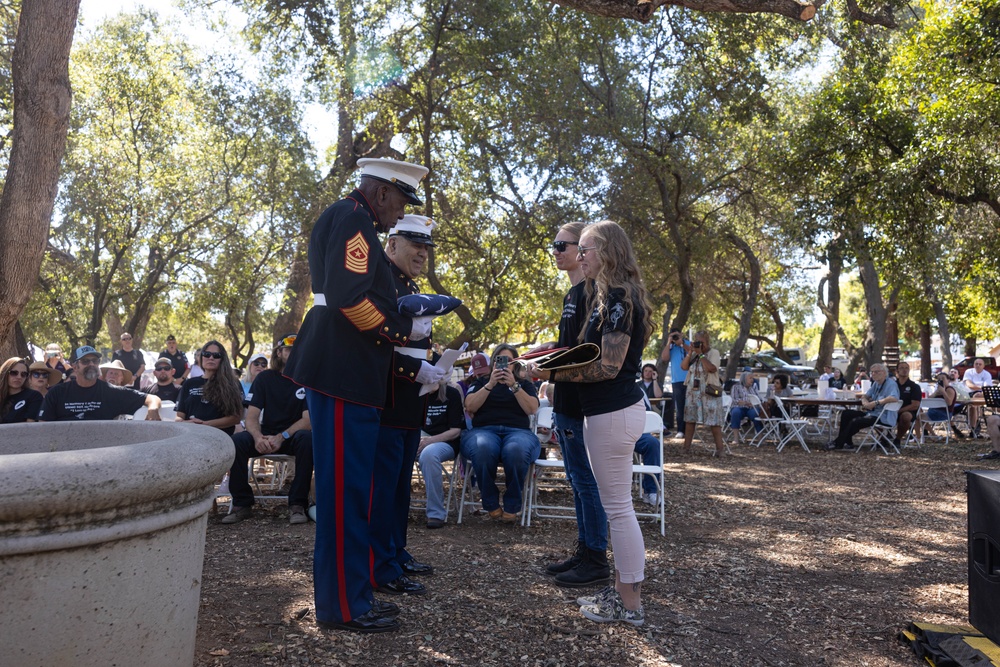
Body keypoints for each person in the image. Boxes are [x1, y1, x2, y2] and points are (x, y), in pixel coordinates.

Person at [282, 157, 432, 634]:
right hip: (345, 366)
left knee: (350, 491)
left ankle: (348, 597)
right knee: (346, 493)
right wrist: (399, 328)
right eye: (401, 202)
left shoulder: (353, 216)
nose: (399, 214)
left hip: (348, 368)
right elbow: (349, 298)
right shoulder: (353, 219)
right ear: (383, 192)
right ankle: (345, 606)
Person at [529, 220, 653, 626]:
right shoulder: (611, 296)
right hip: (608, 412)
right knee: (617, 507)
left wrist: (548, 374)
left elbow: (608, 366)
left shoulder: (619, 297)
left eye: (585, 249)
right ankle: (623, 593)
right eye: (577, 249)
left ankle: (629, 602)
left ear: (609, 252)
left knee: (618, 509)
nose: (579, 257)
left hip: (613, 411)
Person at [370, 215, 442, 597]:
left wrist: (433, 370)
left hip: (409, 405)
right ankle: (381, 567)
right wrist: (416, 370)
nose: (422, 253)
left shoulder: (407, 285)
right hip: (387, 402)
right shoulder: (382, 282)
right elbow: (375, 346)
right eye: (415, 245)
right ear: (392, 244)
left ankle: (395, 553)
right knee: (383, 490)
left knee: (400, 488)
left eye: (426, 247)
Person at [543, 221, 610, 589]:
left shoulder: (592, 292)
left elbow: (588, 354)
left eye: (563, 245)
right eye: (555, 246)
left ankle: (597, 557)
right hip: (565, 399)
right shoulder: (571, 295)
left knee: (587, 481)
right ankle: (585, 550)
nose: (558, 251)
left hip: (583, 403)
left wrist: (550, 369)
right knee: (575, 479)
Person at [223, 334, 314, 525]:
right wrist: (257, 437)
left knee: (308, 440)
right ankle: (242, 504)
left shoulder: (308, 379)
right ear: (279, 352)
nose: (294, 352)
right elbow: (251, 417)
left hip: (292, 436)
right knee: (237, 442)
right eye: (289, 349)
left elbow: (308, 421)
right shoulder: (265, 378)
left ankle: (297, 504)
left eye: (299, 348)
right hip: (265, 436)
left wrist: (282, 437)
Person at [461, 344, 540, 523]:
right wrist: (490, 384)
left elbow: (532, 408)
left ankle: (512, 504)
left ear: (515, 364)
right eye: (500, 360)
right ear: (494, 362)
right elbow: (470, 406)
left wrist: (514, 386)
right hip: (484, 431)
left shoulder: (524, 384)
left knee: (516, 450)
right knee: (483, 448)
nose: (505, 365)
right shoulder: (481, 382)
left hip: (518, 432)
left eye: (509, 361)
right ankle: (490, 501)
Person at [40, 346, 162, 421]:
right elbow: (44, 428)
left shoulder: (111, 392)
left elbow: (152, 398)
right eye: (85, 361)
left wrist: (153, 409)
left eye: (95, 361)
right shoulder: (56, 393)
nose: (91, 364)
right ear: (75, 367)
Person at [417, 376, 465, 528]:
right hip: (418, 439)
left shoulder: (451, 393)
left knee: (429, 454)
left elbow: (456, 431)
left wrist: (430, 441)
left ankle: (435, 513)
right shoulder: (415, 394)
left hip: (445, 441)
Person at [825, 363, 899, 450]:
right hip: (872, 413)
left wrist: (876, 403)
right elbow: (865, 396)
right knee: (846, 413)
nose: (873, 374)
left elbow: (894, 398)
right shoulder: (876, 383)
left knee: (856, 421)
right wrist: (865, 402)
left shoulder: (891, 384)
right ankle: (848, 443)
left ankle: (837, 443)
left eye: (876, 372)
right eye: (872, 372)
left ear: (884, 373)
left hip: (884, 417)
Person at [175, 341, 244, 435]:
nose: (211, 358)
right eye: (207, 354)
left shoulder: (233, 383)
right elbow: (179, 416)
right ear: (201, 357)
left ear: (222, 359)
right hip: (190, 436)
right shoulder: (189, 383)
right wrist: (186, 423)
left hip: (220, 437)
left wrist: (205, 425)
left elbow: (236, 417)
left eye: (216, 355)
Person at [680, 331, 727, 457]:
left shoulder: (714, 353)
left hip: (709, 391)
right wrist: (690, 352)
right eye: (696, 341)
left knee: (714, 421)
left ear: (707, 342)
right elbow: (684, 367)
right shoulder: (694, 354)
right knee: (690, 420)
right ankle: (686, 448)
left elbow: (711, 368)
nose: (698, 344)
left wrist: (701, 354)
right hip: (693, 392)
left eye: (701, 342)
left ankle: (720, 449)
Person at [661, 327, 690, 439]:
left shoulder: (688, 343)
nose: (676, 338)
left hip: (690, 379)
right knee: (680, 406)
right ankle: (680, 430)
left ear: (681, 334)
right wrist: (669, 342)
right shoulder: (671, 347)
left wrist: (681, 343)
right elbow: (664, 358)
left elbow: (693, 353)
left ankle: (690, 429)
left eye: (677, 335)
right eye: (674, 336)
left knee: (690, 405)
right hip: (677, 380)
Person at [1, 357, 43, 423]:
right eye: (14, 373)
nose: (19, 377)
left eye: (23, 374)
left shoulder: (33, 396)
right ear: (5, 373)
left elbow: (30, 426)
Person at [919, 372, 957, 438]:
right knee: (918, 412)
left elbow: (949, 403)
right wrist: (936, 393)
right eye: (939, 379)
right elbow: (928, 400)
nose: (941, 380)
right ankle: (929, 435)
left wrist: (943, 392)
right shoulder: (938, 390)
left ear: (948, 380)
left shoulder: (949, 389)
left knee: (917, 417)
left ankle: (921, 436)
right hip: (933, 411)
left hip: (944, 414)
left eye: (943, 378)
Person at [729, 371, 764, 443]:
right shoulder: (736, 387)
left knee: (756, 413)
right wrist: (744, 402)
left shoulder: (753, 387)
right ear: (744, 379)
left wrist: (754, 403)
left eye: (753, 378)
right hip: (739, 407)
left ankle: (761, 438)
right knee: (735, 412)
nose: (752, 380)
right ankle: (736, 438)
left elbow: (759, 398)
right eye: (750, 378)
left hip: (751, 408)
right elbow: (734, 399)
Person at [894, 362, 921, 448]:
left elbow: (915, 405)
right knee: (875, 416)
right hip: (890, 410)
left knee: (906, 416)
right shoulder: (892, 385)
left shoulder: (914, 386)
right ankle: (883, 439)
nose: (904, 370)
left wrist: (899, 411)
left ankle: (898, 439)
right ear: (897, 371)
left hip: (907, 411)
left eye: (906, 368)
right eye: (902, 368)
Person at [963, 358, 993, 436]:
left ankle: (974, 428)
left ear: (983, 366)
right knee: (972, 406)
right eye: (976, 364)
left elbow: (987, 388)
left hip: (982, 394)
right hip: (969, 393)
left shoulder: (987, 374)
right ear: (973, 365)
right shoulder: (969, 372)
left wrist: (981, 392)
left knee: (975, 404)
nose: (978, 365)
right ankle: (974, 427)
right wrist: (981, 387)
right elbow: (969, 385)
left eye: (980, 364)